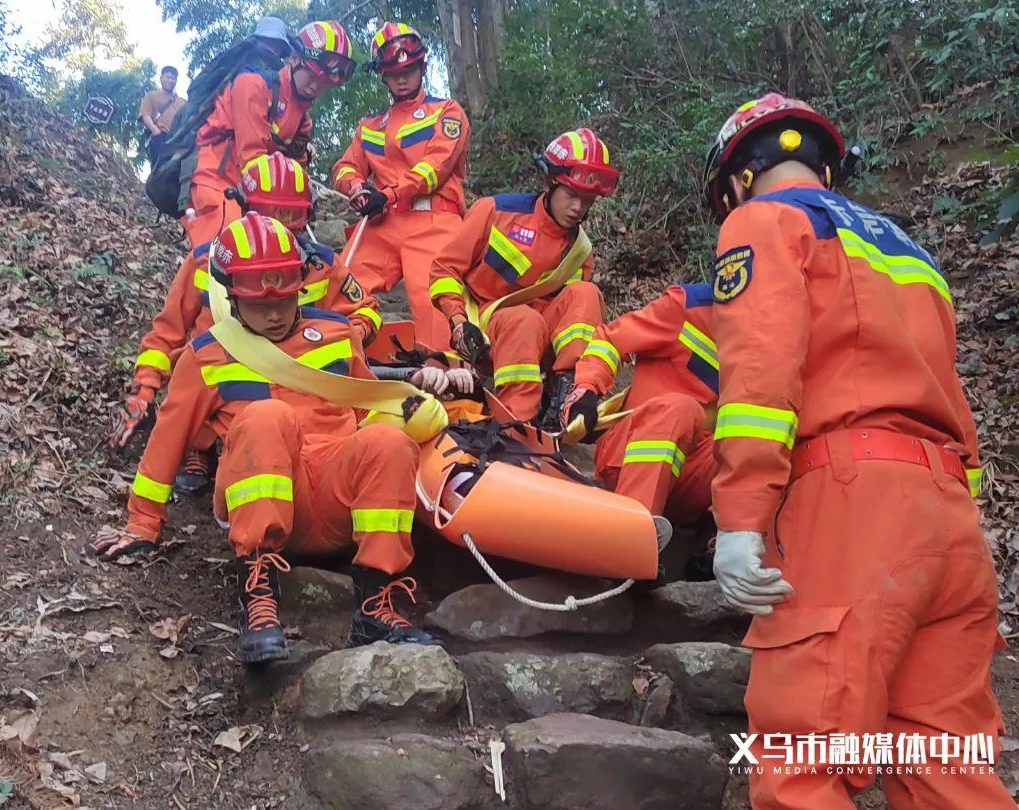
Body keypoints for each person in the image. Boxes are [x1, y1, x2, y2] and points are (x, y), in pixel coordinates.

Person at [703, 92, 1011, 808]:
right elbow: (947, 386)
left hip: (848, 507)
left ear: (741, 177)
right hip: (949, 517)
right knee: (946, 764)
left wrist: (742, 519)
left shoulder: (763, 222)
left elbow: (760, 377)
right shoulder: (911, 253)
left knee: (803, 759)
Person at [90, 213, 450, 663]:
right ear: (232, 298)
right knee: (266, 417)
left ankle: (375, 604)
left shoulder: (338, 335)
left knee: (389, 441)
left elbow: (367, 405)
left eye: (284, 297)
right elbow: (168, 439)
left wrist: (410, 410)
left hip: (338, 504)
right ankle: (258, 595)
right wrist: (141, 523)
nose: (276, 313)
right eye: (261, 305)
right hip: (265, 502)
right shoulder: (206, 355)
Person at [112, 154, 384, 497]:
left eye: (292, 216)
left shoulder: (321, 264)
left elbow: (366, 311)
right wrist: (144, 389)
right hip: (224, 384)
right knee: (197, 366)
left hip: (302, 383)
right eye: (273, 214)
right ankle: (202, 448)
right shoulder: (207, 262)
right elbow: (166, 334)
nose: (282, 225)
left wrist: (348, 340)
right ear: (248, 209)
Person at [429, 128, 618, 427]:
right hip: (485, 333)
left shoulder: (580, 251)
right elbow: (444, 269)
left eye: (587, 200)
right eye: (571, 195)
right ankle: (515, 421)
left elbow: (568, 318)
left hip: (538, 344)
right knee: (523, 319)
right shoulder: (495, 212)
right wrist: (458, 322)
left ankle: (565, 395)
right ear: (550, 183)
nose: (578, 208)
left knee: (586, 294)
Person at [331, 22, 469, 353]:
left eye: (408, 69)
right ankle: (343, 362)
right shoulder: (369, 126)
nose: (402, 78)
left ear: (422, 67)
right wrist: (356, 187)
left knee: (435, 305)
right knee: (340, 286)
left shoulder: (446, 112)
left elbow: (436, 166)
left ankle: (450, 384)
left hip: (434, 222)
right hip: (383, 223)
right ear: (383, 76)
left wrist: (389, 194)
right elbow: (344, 166)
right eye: (394, 72)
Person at [183, 19, 355, 250]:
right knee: (221, 253)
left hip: (254, 191)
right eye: (312, 78)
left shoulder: (302, 118)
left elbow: (296, 170)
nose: (316, 87)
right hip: (217, 178)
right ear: (294, 59)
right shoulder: (253, 85)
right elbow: (252, 158)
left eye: (322, 84)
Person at [562, 283, 718, 536]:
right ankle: (629, 539)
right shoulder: (688, 307)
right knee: (681, 409)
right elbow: (610, 341)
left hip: (691, 475)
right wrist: (586, 389)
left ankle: (716, 541)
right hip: (630, 458)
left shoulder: (775, 340)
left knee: (763, 442)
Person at [140, 66, 186, 166]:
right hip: (160, 136)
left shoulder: (182, 102)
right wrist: (156, 132)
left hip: (177, 139)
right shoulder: (151, 96)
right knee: (158, 168)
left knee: (175, 172)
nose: (170, 80)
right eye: (167, 77)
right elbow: (145, 116)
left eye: (173, 78)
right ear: (161, 78)